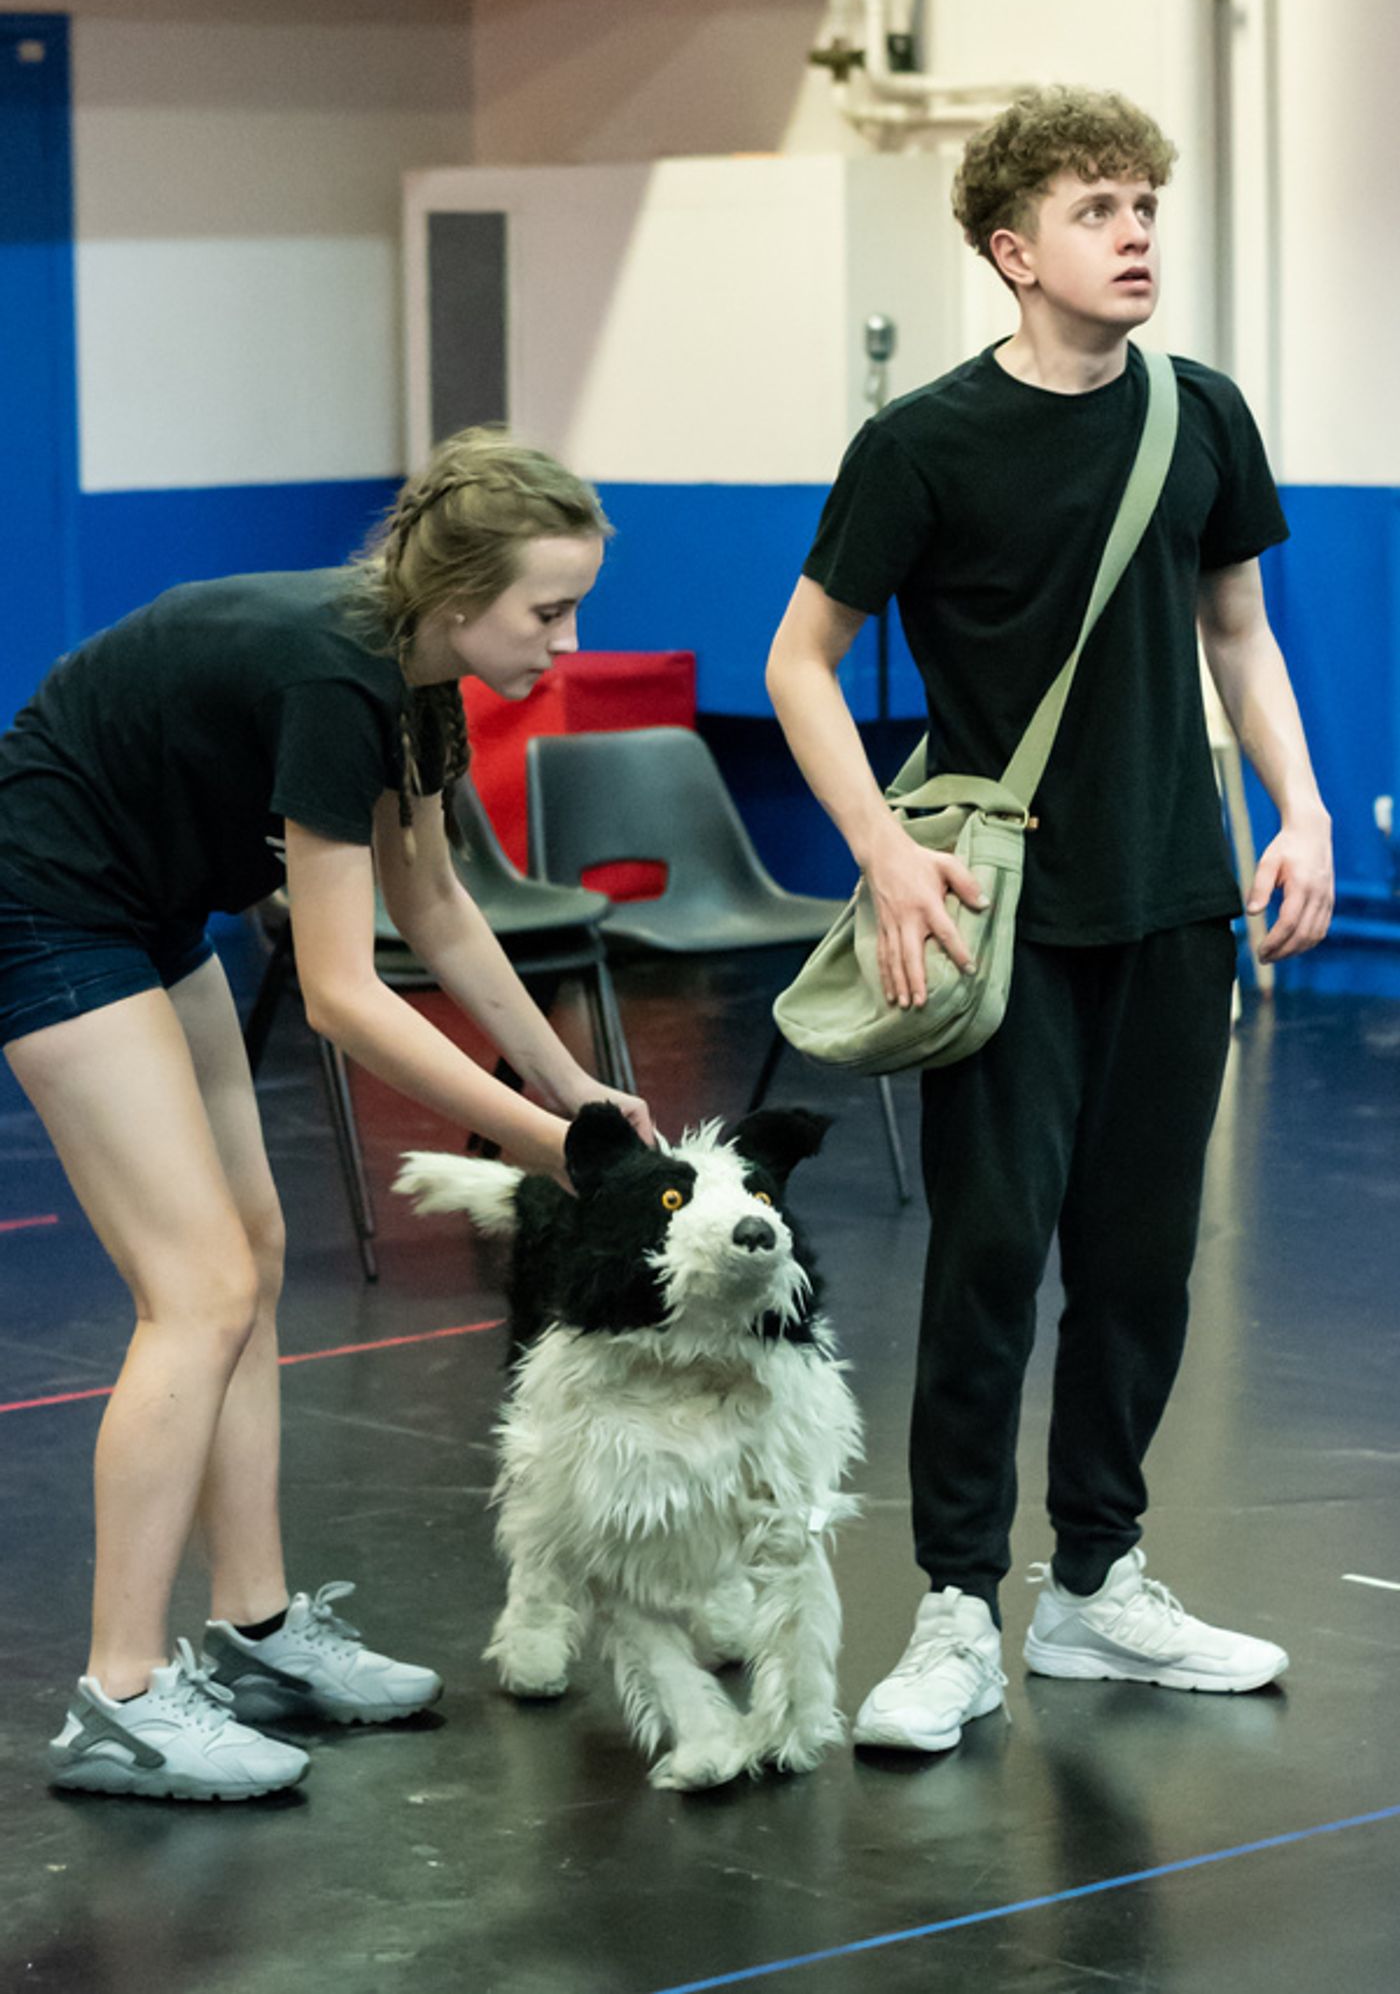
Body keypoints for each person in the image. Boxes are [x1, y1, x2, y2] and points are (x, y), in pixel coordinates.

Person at [765, 87, 1333, 1755]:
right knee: (993, 1260)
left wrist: (1297, 808)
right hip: (992, 906)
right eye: (1099, 209)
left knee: (1141, 1265)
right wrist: (879, 848)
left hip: (1174, 898)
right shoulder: (923, 444)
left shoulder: (1203, 414)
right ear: (1015, 251)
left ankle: (1097, 1582)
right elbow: (800, 659)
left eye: (1148, 202)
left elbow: (1238, 629)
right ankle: (957, 1605)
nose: (1139, 231)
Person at [0, 426, 651, 1800]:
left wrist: (576, 1088)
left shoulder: (416, 675)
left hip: (154, 901)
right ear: (462, 592)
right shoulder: (337, 676)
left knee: (256, 1256)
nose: (568, 639)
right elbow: (346, 994)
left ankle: (255, 1631)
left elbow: (438, 908)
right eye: (549, 608)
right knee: (198, 1288)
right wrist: (556, 1155)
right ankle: (117, 1697)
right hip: (50, 903)